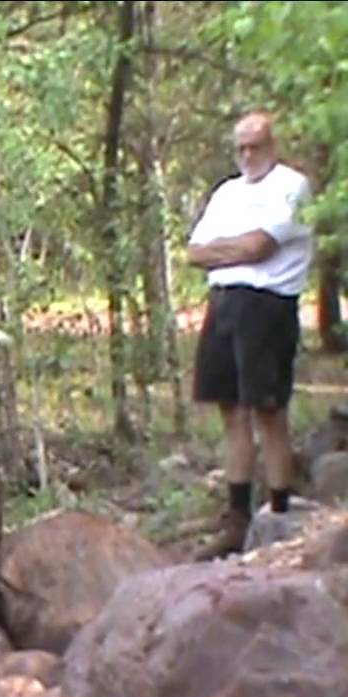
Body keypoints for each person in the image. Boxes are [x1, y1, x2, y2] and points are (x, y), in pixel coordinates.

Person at [187, 109, 315, 559]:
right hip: (223, 302)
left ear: (272, 145)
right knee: (231, 409)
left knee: (268, 408)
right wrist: (237, 250)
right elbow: (194, 252)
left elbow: (260, 247)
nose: (246, 156)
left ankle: (279, 510)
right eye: (240, 148)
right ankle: (237, 517)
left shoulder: (291, 187)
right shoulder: (227, 192)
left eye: (254, 146)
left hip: (267, 305)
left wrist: (230, 249)